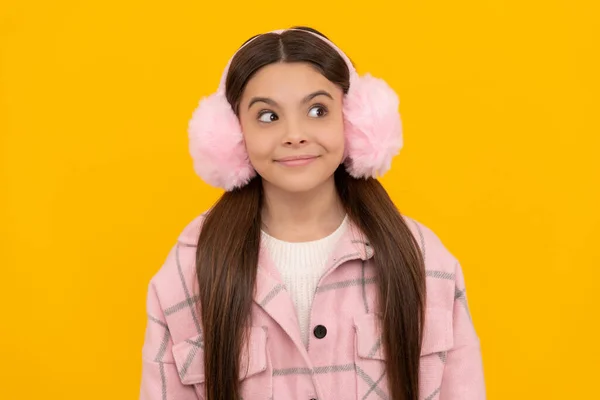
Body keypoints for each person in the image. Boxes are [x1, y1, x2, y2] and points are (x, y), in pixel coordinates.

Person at [139, 26, 485, 400]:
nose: (295, 134)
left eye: (317, 110)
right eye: (268, 116)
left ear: (355, 121)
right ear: (232, 134)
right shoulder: (188, 269)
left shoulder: (423, 258)